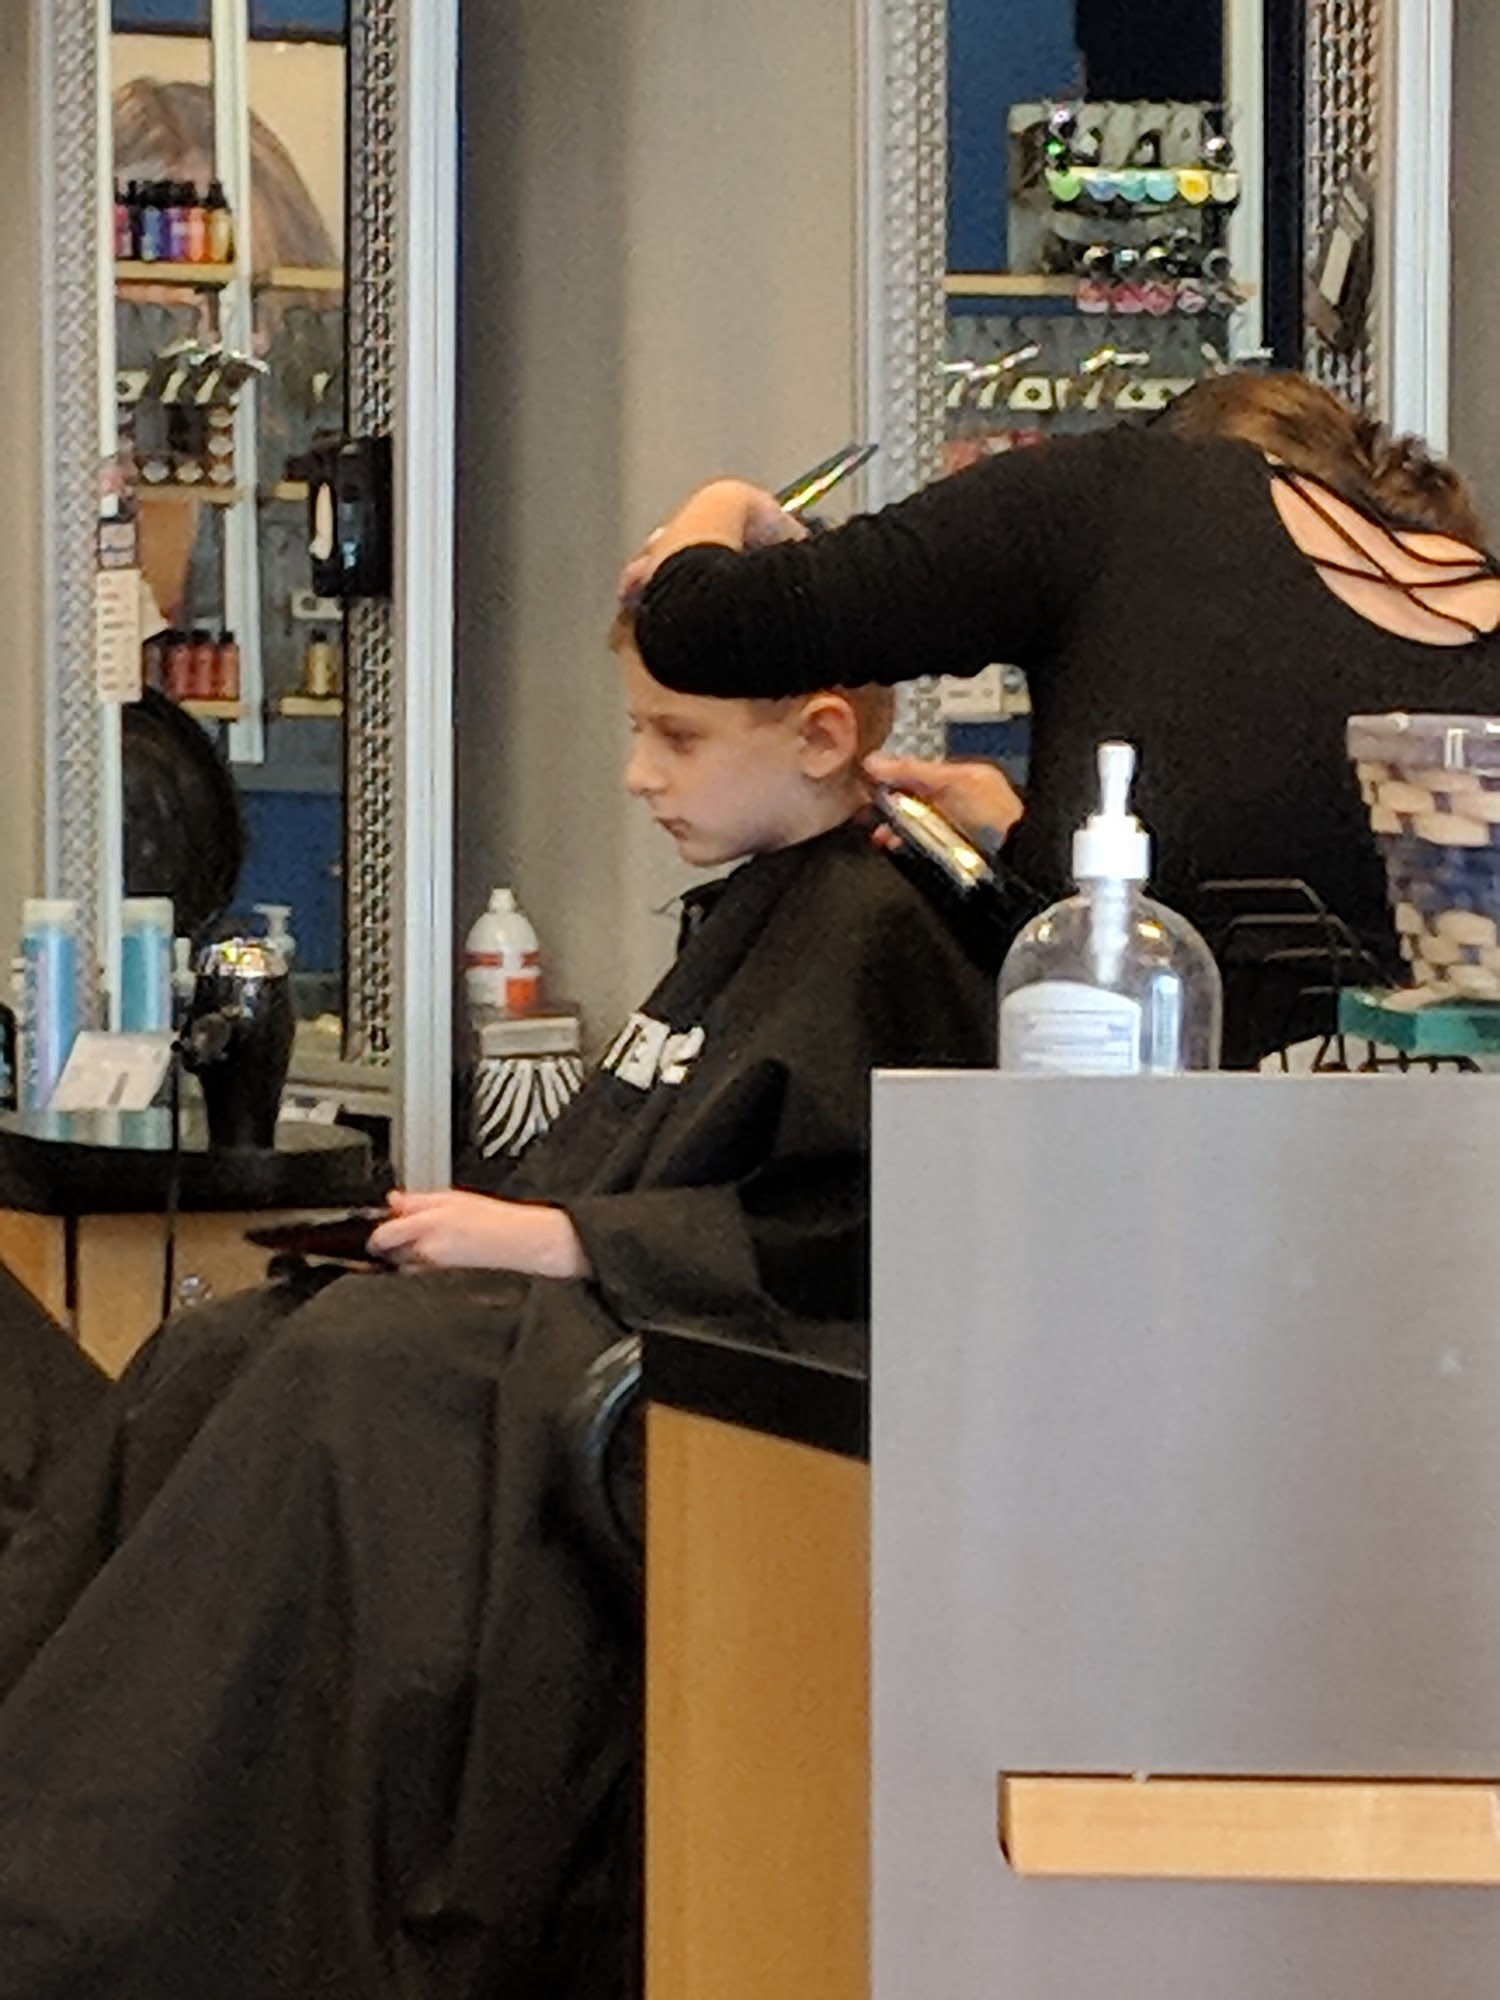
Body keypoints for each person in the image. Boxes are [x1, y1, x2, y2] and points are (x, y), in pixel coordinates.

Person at [0, 624, 993, 1999]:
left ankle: (100, 1910)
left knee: (347, 1371)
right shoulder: (757, 913)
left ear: (825, 737)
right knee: (217, 1345)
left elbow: (846, 1240)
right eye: (639, 730)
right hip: (579, 1313)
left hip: (695, 1374)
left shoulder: (888, 931)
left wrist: (563, 1238)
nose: (640, 773)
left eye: (679, 737)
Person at [622, 370, 1500, 1062]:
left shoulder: (1130, 491)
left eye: (675, 736)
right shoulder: (1459, 602)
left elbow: (698, 625)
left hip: (1159, 1185)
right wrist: (1031, 841)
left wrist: (723, 506)